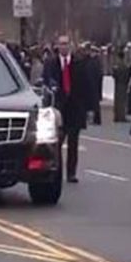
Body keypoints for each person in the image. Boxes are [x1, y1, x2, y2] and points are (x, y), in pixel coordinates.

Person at [44, 34, 92, 183]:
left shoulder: (79, 63)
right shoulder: (51, 63)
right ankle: (56, 171)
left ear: (70, 45)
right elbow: (46, 83)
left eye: (66, 44)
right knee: (57, 142)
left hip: (75, 108)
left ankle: (71, 173)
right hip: (58, 108)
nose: (63, 47)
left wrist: (89, 108)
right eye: (61, 44)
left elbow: (87, 85)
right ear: (57, 46)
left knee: (73, 142)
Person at [111, 52, 131, 123]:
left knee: (117, 101)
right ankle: (122, 116)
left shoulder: (116, 66)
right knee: (123, 101)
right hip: (123, 85)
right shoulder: (125, 66)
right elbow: (128, 75)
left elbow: (114, 75)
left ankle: (117, 116)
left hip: (117, 84)